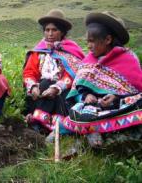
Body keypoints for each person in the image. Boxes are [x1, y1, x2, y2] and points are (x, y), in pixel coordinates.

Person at [61, 11, 142, 148]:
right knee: (82, 107)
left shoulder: (128, 58)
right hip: (93, 106)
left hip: (119, 104)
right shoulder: (89, 60)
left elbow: (136, 88)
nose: (89, 46)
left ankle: (92, 128)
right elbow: (79, 86)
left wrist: (115, 97)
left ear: (108, 40)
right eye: (87, 42)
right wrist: (87, 95)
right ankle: (93, 130)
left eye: (92, 41)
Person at [23, 9, 84, 141]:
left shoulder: (71, 50)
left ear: (62, 32)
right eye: (47, 30)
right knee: (44, 84)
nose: (50, 33)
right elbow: (29, 73)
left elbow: (72, 75)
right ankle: (42, 126)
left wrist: (56, 88)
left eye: (54, 30)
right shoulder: (38, 51)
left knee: (53, 90)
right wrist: (33, 87)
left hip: (63, 92)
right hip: (41, 91)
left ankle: (43, 125)